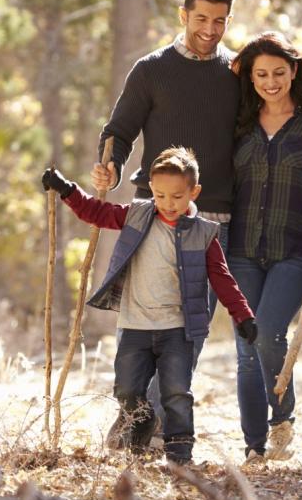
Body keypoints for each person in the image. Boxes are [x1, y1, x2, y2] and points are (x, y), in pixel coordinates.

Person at [92, 0, 302, 445]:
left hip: (217, 224)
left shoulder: (235, 73)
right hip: (157, 216)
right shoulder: (150, 70)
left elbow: (282, 105)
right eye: (202, 18)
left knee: (192, 329)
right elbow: (120, 130)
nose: (210, 29)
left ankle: (149, 423)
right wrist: (108, 163)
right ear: (183, 15)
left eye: (220, 21)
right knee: (150, 322)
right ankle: (136, 415)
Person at [42, 147, 258, 465]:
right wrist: (66, 189)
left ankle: (180, 454)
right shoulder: (138, 215)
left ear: (194, 192)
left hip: (177, 329)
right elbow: (96, 213)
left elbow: (222, 279)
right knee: (126, 390)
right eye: (160, 195)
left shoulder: (204, 233)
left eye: (176, 196)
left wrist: (243, 315)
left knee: (176, 394)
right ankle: (142, 421)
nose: (168, 204)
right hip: (135, 326)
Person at [226, 32, 302, 465]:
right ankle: (254, 446)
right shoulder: (238, 119)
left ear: (295, 71)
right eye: (261, 73)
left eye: (279, 71)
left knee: (269, 333)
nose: (270, 81)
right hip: (239, 249)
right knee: (245, 348)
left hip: (294, 248)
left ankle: (282, 419)